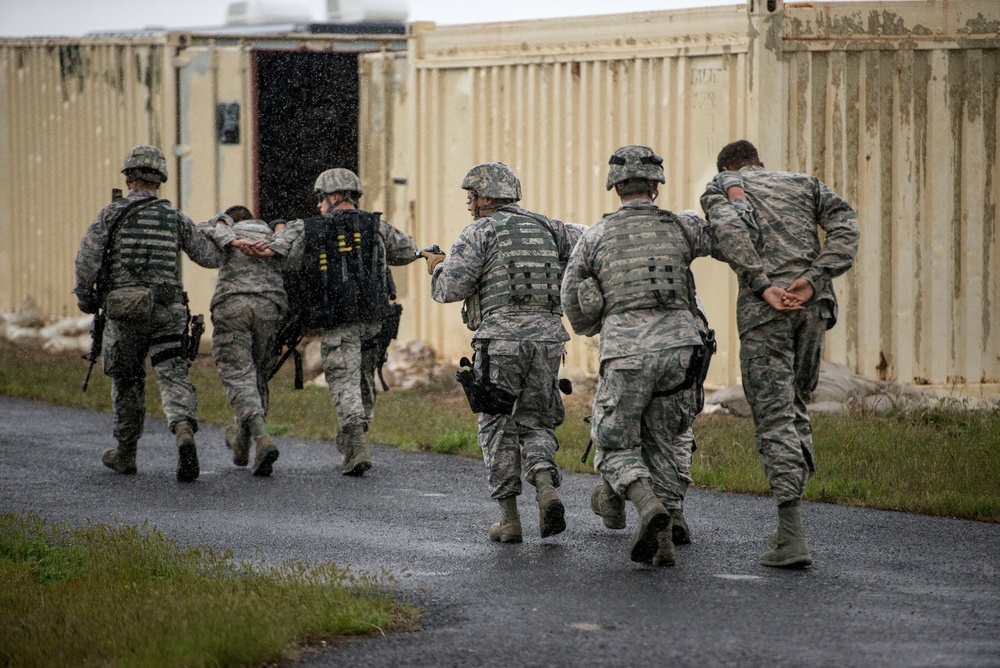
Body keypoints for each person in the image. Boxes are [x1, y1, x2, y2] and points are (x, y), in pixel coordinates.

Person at [700, 139, 859, 568]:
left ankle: (791, 536)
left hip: (765, 311)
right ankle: (790, 523)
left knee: (773, 416)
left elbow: (730, 232)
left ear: (727, 168)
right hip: (812, 306)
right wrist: (815, 275)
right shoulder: (805, 183)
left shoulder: (722, 187)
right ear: (760, 163)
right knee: (796, 405)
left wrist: (760, 282)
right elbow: (846, 224)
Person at [561, 145, 715, 566]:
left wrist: (593, 327)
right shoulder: (682, 227)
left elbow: (571, 298)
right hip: (683, 350)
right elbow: (725, 239)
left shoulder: (594, 236)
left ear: (615, 187)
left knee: (613, 441)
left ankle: (647, 506)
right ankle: (664, 540)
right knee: (666, 441)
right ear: (655, 184)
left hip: (627, 352)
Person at [424, 162, 575, 544]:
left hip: (500, 342)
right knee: (537, 420)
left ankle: (509, 520)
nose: (469, 205)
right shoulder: (550, 227)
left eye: (471, 197)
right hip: (548, 340)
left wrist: (437, 269)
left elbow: (450, 290)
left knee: (496, 423)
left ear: (486, 197)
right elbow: (584, 255)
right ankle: (546, 489)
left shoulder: (479, 231)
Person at [257, 168, 421, 476]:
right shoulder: (377, 226)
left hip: (338, 322)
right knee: (364, 383)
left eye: (321, 199)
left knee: (344, 384)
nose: (318, 206)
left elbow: (279, 255)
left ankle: (356, 443)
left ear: (334, 197)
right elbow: (407, 251)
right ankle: (352, 438)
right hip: (374, 323)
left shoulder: (308, 228)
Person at [73, 144, 222, 482]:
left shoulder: (110, 214)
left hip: (125, 312)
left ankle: (126, 454)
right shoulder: (174, 216)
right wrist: (222, 232)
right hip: (168, 310)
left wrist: (86, 298)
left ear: (128, 177)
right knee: (172, 374)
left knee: (127, 380)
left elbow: (87, 260)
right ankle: (184, 433)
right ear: (160, 180)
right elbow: (208, 257)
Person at [201, 205, 287, 477]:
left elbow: (197, 231)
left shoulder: (226, 232)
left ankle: (262, 438)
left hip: (233, 307)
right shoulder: (274, 236)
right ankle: (241, 442)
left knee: (239, 375)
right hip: (269, 307)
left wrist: (223, 226)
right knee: (257, 376)